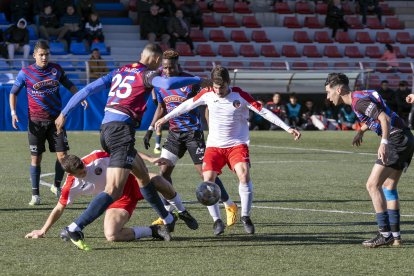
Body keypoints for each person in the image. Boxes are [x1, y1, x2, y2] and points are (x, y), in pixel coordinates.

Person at [54, 43, 204, 250]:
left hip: (106, 129)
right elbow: (167, 84)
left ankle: (167, 219)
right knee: (114, 190)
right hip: (120, 131)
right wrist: (198, 79)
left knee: (143, 175)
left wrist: (64, 112)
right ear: (157, 60)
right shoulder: (147, 75)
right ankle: (75, 227)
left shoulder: (119, 71)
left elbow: (88, 89)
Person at [155, 66, 301, 235]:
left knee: (244, 174)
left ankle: (245, 216)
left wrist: (287, 128)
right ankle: (217, 221)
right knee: (207, 180)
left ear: (228, 83)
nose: (218, 91)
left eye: (221, 87)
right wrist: (165, 118)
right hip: (214, 146)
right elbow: (186, 105)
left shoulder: (239, 95)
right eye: (215, 87)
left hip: (236, 144)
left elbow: (263, 112)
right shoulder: (207, 93)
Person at [144, 51, 235, 232]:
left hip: (193, 134)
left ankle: (228, 204)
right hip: (174, 135)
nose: (168, 71)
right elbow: (161, 107)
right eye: (165, 67)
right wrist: (150, 128)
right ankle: (168, 214)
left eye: (172, 67)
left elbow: (209, 101)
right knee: (163, 175)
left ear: (178, 65)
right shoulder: (160, 83)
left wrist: (212, 129)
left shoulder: (190, 81)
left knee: (206, 175)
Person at [325, 73, 414, 247]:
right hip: (406, 137)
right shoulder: (359, 97)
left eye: (329, 92)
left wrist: (384, 142)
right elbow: (376, 116)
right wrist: (361, 130)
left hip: (396, 139)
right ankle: (395, 236)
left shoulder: (358, 101)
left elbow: (383, 118)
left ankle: (385, 234)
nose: (328, 97)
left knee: (372, 185)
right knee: (389, 187)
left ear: (339, 89)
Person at [24, 150, 174, 246]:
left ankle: (178, 210)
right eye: (80, 171)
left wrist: (149, 158)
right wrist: (43, 230)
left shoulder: (96, 157)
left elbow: (126, 152)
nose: (84, 170)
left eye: (83, 166)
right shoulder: (70, 186)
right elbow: (59, 208)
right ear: (70, 174)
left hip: (132, 182)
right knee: (111, 235)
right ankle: (153, 231)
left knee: (159, 181)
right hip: (117, 201)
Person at [9, 40, 86, 206]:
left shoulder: (56, 69)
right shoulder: (26, 73)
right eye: (41, 55)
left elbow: (69, 85)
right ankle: (35, 195)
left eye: (46, 54)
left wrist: (79, 97)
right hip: (36, 122)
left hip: (56, 121)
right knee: (36, 159)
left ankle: (56, 186)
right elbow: (13, 93)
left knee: (63, 157)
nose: (44, 57)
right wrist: (13, 113)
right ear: (34, 55)